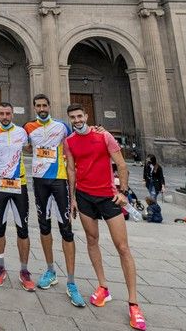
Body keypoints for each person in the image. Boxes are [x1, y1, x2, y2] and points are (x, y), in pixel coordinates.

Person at [63, 103, 146, 331]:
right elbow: (71, 170)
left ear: (86, 116)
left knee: (122, 247)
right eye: (73, 117)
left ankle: (133, 303)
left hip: (108, 196)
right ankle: (103, 287)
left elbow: (121, 164)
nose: (77, 120)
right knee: (92, 240)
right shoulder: (69, 142)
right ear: (69, 119)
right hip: (84, 196)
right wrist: (72, 198)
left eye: (80, 116)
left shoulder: (104, 136)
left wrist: (123, 192)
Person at [24, 94, 81, 304]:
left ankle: (72, 281)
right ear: (34, 107)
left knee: (66, 229)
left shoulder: (63, 127)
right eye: (38, 105)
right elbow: (22, 143)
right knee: (44, 227)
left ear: (50, 106)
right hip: (39, 181)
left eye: (44, 105)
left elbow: (78, 139)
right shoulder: (28, 127)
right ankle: (50, 270)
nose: (41, 108)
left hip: (59, 180)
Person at [0, 102, 36, 290]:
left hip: (19, 183)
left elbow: (33, 146)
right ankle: (0, 268)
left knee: (22, 228)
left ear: (12, 115)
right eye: (2, 113)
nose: (5, 116)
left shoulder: (23, 132)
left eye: (8, 113)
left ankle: (24, 270)